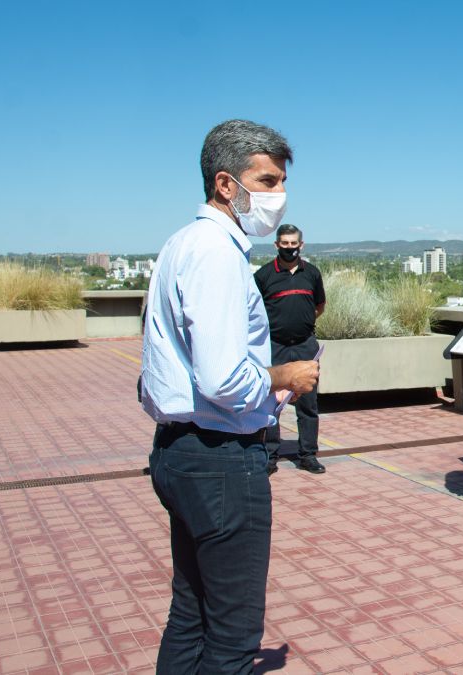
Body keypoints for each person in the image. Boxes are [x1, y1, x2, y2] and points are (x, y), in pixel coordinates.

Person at [140, 119, 319, 673]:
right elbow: (221, 378)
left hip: (181, 450)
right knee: (233, 634)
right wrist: (283, 379)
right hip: (219, 461)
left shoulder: (181, 244)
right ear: (225, 184)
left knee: (190, 614)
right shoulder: (217, 254)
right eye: (266, 181)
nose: (276, 196)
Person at [254, 224, 327, 475]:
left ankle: (308, 455)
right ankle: (270, 456)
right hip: (275, 347)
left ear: (301, 245)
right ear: (276, 245)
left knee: (308, 404)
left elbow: (319, 306)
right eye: (284, 243)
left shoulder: (312, 274)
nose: (289, 248)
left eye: (293, 243)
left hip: (305, 345)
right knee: (272, 404)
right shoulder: (263, 276)